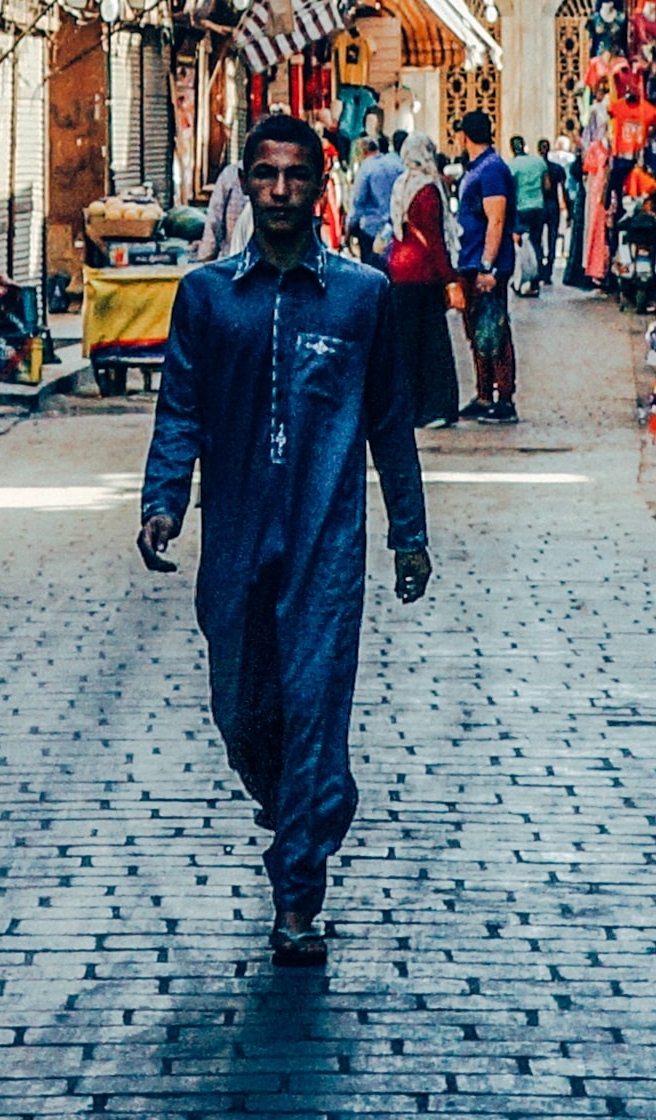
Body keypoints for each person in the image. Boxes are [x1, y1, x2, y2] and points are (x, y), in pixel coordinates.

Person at [137, 116, 435, 968]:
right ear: (243, 182)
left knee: (312, 710)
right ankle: (307, 800)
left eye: (294, 176)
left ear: (319, 186)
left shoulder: (360, 296)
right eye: (263, 175)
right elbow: (180, 410)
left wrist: (407, 535)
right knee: (240, 711)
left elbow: (389, 424)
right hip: (233, 539)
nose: (278, 192)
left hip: (325, 547)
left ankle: (297, 892)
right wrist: (163, 502)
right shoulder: (204, 298)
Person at [380, 138, 465, 428]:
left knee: (405, 343)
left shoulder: (401, 184)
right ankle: (436, 406)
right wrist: (449, 277)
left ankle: (409, 406)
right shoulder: (428, 189)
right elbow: (435, 238)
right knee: (432, 342)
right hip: (423, 271)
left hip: (399, 270)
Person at [449, 111, 519, 422]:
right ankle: (483, 393)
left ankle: (503, 398)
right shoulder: (480, 168)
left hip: (484, 263)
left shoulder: (490, 170)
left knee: (495, 330)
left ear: (464, 136)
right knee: (478, 331)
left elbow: (497, 219)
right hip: (472, 259)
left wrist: (488, 266)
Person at [513, 139, 565, 294]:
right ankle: (541, 274)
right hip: (540, 206)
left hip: (522, 207)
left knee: (525, 243)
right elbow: (547, 186)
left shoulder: (512, 165)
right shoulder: (540, 164)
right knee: (539, 241)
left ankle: (526, 276)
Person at [346, 136, 404, 265]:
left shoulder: (366, 169)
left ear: (362, 151)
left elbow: (357, 202)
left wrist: (348, 227)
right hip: (396, 226)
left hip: (372, 228)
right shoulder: (396, 163)